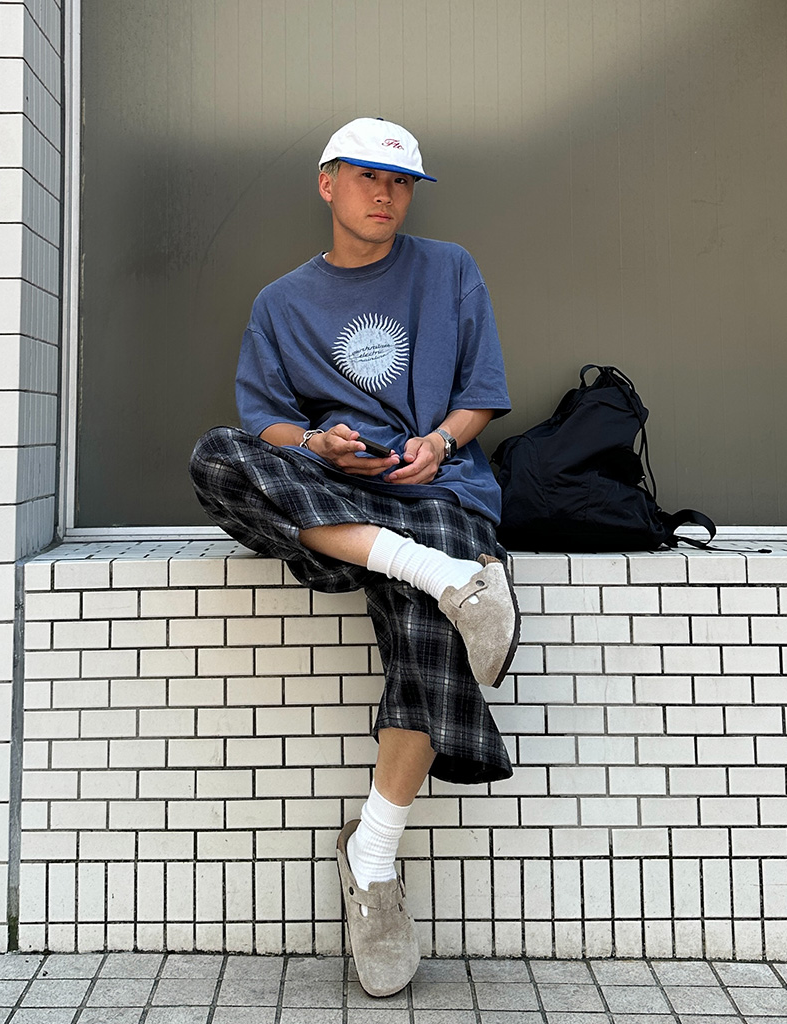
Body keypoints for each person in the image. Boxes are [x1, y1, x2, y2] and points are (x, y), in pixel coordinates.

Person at [189, 117, 519, 997]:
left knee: (425, 629)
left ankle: (372, 860)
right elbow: (264, 423)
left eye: (401, 182)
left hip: (438, 490)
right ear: (327, 182)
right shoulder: (281, 302)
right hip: (337, 501)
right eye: (369, 177)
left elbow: (483, 394)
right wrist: (320, 445)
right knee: (216, 455)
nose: (386, 195)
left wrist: (439, 444)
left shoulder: (449, 269)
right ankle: (445, 578)